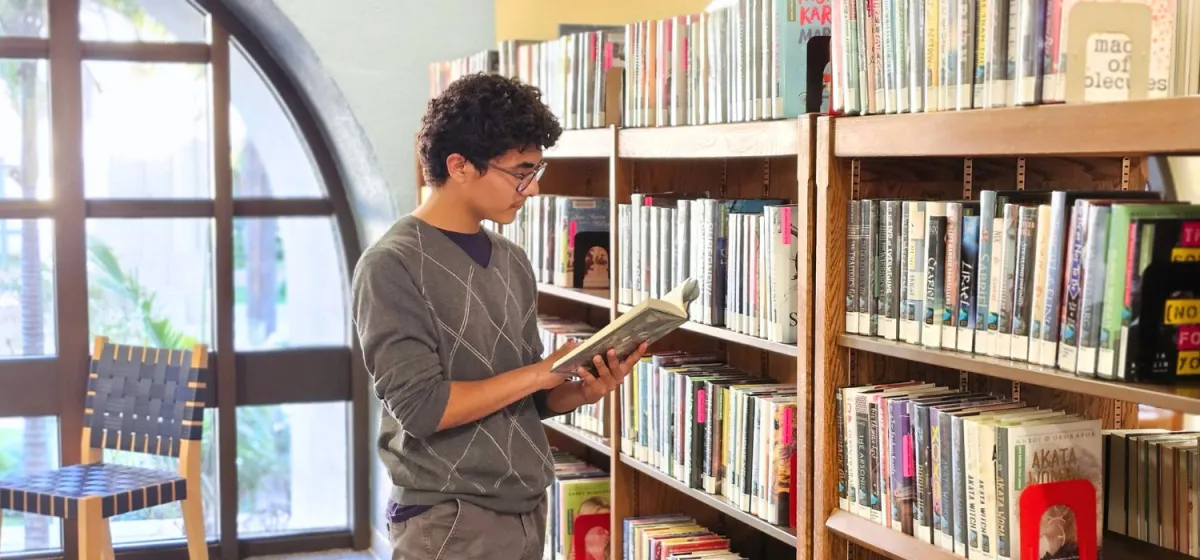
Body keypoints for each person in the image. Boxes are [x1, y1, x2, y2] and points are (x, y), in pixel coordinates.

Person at [351, 73, 646, 560]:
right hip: (448, 518)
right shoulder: (391, 265)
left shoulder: (512, 260)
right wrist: (538, 374)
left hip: (526, 509)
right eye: (520, 172)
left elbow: (527, 400)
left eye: (536, 172)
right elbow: (424, 409)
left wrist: (580, 389)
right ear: (460, 166)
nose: (530, 190)